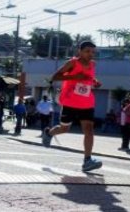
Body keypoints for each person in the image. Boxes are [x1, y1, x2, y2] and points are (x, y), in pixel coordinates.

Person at [42, 41, 103, 172]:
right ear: (79, 51)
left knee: (89, 130)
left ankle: (87, 160)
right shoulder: (73, 63)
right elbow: (55, 76)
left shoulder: (93, 64)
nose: (90, 54)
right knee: (64, 129)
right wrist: (74, 76)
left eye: (93, 52)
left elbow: (89, 78)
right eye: (87, 51)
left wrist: (95, 82)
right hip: (70, 102)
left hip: (86, 102)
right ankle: (49, 133)